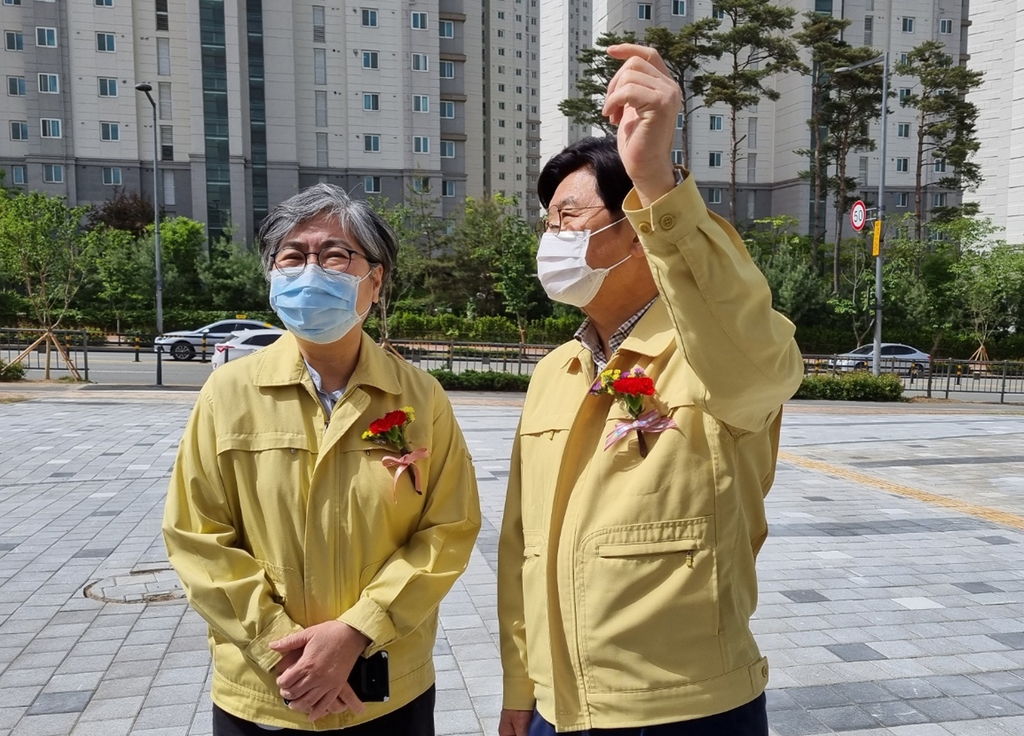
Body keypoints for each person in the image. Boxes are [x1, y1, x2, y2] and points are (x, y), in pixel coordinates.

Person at [497, 45, 804, 736]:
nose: (552, 237)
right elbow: (523, 544)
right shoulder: (555, 371)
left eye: (569, 217)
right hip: (555, 708)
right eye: (547, 220)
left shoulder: (712, 352)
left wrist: (658, 183)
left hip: (683, 710)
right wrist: (522, 683)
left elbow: (761, 354)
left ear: (634, 231)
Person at [164, 184, 481, 735]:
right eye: (292, 256)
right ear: (272, 276)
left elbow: (447, 530)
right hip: (266, 692)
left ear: (374, 280)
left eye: (335, 254)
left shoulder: (421, 398)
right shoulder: (228, 393)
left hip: (385, 691)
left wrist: (357, 631)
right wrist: (281, 649)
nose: (311, 270)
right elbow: (197, 537)